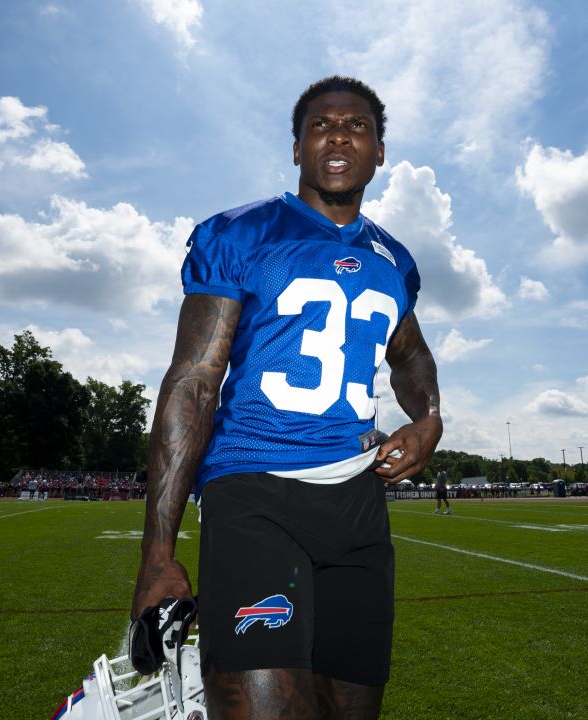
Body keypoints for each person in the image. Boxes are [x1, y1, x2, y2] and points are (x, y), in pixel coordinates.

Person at [131, 76, 442, 719]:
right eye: (320, 124)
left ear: (379, 151)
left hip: (359, 505)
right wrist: (158, 552)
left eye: (356, 125)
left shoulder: (395, 260)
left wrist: (429, 418)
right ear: (297, 148)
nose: (338, 134)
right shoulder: (241, 233)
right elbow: (192, 380)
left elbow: (409, 353)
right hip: (256, 490)